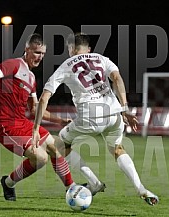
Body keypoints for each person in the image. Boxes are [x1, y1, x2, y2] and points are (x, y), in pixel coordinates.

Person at [32, 32, 159, 206]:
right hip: (114, 114)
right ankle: (141, 188)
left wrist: (35, 128)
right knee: (117, 149)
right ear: (88, 49)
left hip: (90, 117)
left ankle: (94, 183)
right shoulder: (101, 58)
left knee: (59, 144)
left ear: (71, 49)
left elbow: (44, 98)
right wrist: (125, 109)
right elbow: (117, 78)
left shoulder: (65, 66)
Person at [0, 33, 75, 201]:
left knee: (54, 147)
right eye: (37, 52)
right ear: (27, 49)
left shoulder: (31, 78)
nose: (40, 57)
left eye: (43, 54)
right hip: (5, 126)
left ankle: (72, 189)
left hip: (22, 122)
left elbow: (36, 109)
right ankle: (8, 183)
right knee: (40, 158)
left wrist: (60, 120)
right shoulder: (14, 65)